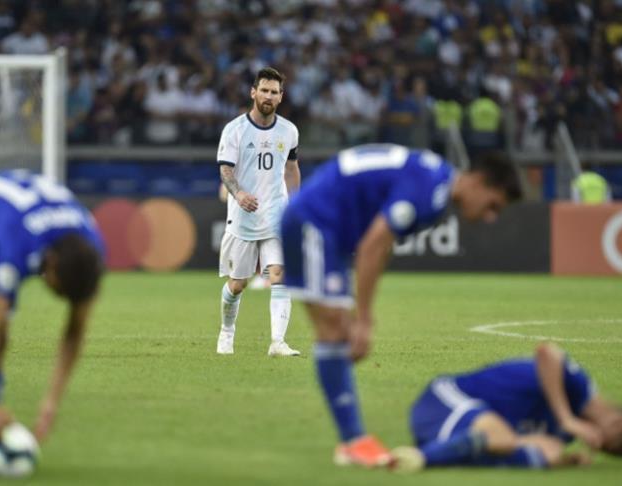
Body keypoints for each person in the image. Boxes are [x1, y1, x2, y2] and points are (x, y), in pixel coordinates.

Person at [280, 144, 522, 467]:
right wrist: (364, 319)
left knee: (335, 332)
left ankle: (353, 440)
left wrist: (359, 314)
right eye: (493, 205)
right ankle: (353, 441)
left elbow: (380, 245)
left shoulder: (435, 179)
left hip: (326, 227)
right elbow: (373, 245)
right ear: (478, 181)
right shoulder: (430, 192)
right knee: (334, 330)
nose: (490, 217)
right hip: (314, 221)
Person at [0, 170, 105, 470]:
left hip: (4, 228)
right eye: (58, 290)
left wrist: (51, 402)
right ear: (49, 263)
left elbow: (75, 331)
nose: (57, 296)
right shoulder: (18, 245)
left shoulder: (92, 248)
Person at [393, 342, 622, 470]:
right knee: (501, 436)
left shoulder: (566, 435)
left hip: (453, 431)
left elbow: (523, 441)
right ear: (616, 422)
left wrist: (565, 460)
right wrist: (566, 417)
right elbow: (547, 352)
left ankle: (442, 453)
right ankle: (419, 458)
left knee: (549, 451)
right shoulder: (579, 387)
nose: (594, 443)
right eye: (603, 439)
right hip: (445, 399)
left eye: (601, 448)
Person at [216, 67, 301, 356]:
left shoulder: (289, 131)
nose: (268, 96)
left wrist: (296, 204)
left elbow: (291, 168)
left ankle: (277, 342)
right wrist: (239, 194)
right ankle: (227, 331)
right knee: (237, 284)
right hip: (243, 216)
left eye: (274, 92)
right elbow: (225, 170)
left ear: (281, 97)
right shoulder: (235, 130)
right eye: (264, 90)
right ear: (253, 92)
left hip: (277, 213)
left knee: (279, 274)